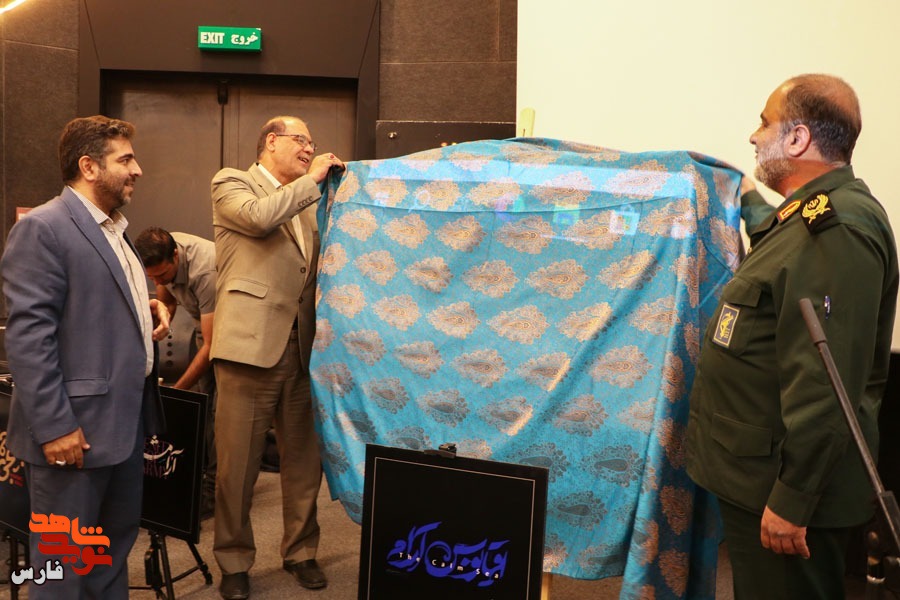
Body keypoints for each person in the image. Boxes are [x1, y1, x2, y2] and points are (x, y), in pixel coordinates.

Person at [687, 74, 899, 599]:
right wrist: (745, 195)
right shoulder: (814, 214)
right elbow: (787, 252)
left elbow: (827, 383)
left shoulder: (841, 231)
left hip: (784, 494)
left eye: (765, 123)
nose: (754, 136)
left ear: (798, 139)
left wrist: (792, 501)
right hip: (758, 476)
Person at [1, 115, 169, 599]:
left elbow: (94, 300)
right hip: (72, 436)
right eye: (125, 159)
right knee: (62, 571)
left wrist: (145, 308)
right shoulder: (44, 228)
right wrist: (55, 427)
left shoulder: (115, 229)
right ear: (89, 166)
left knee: (108, 561)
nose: (137, 170)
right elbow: (29, 337)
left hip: (121, 429)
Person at [210, 115, 344, 600]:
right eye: (300, 140)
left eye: (313, 142)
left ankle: (301, 552)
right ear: (271, 140)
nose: (309, 148)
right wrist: (314, 181)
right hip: (248, 348)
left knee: (304, 463)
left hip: (303, 348)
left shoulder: (308, 202)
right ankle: (233, 561)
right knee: (237, 468)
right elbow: (258, 218)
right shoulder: (232, 183)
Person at [135, 226, 218, 518]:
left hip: (234, 334)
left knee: (220, 415)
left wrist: (175, 393)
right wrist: (163, 321)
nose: (158, 282)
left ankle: (214, 492)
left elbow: (212, 345)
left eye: (162, 275)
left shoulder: (205, 271)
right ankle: (199, 479)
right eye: (152, 278)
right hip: (205, 325)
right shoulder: (161, 254)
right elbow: (167, 300)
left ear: (176, 256)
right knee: (206, 409)